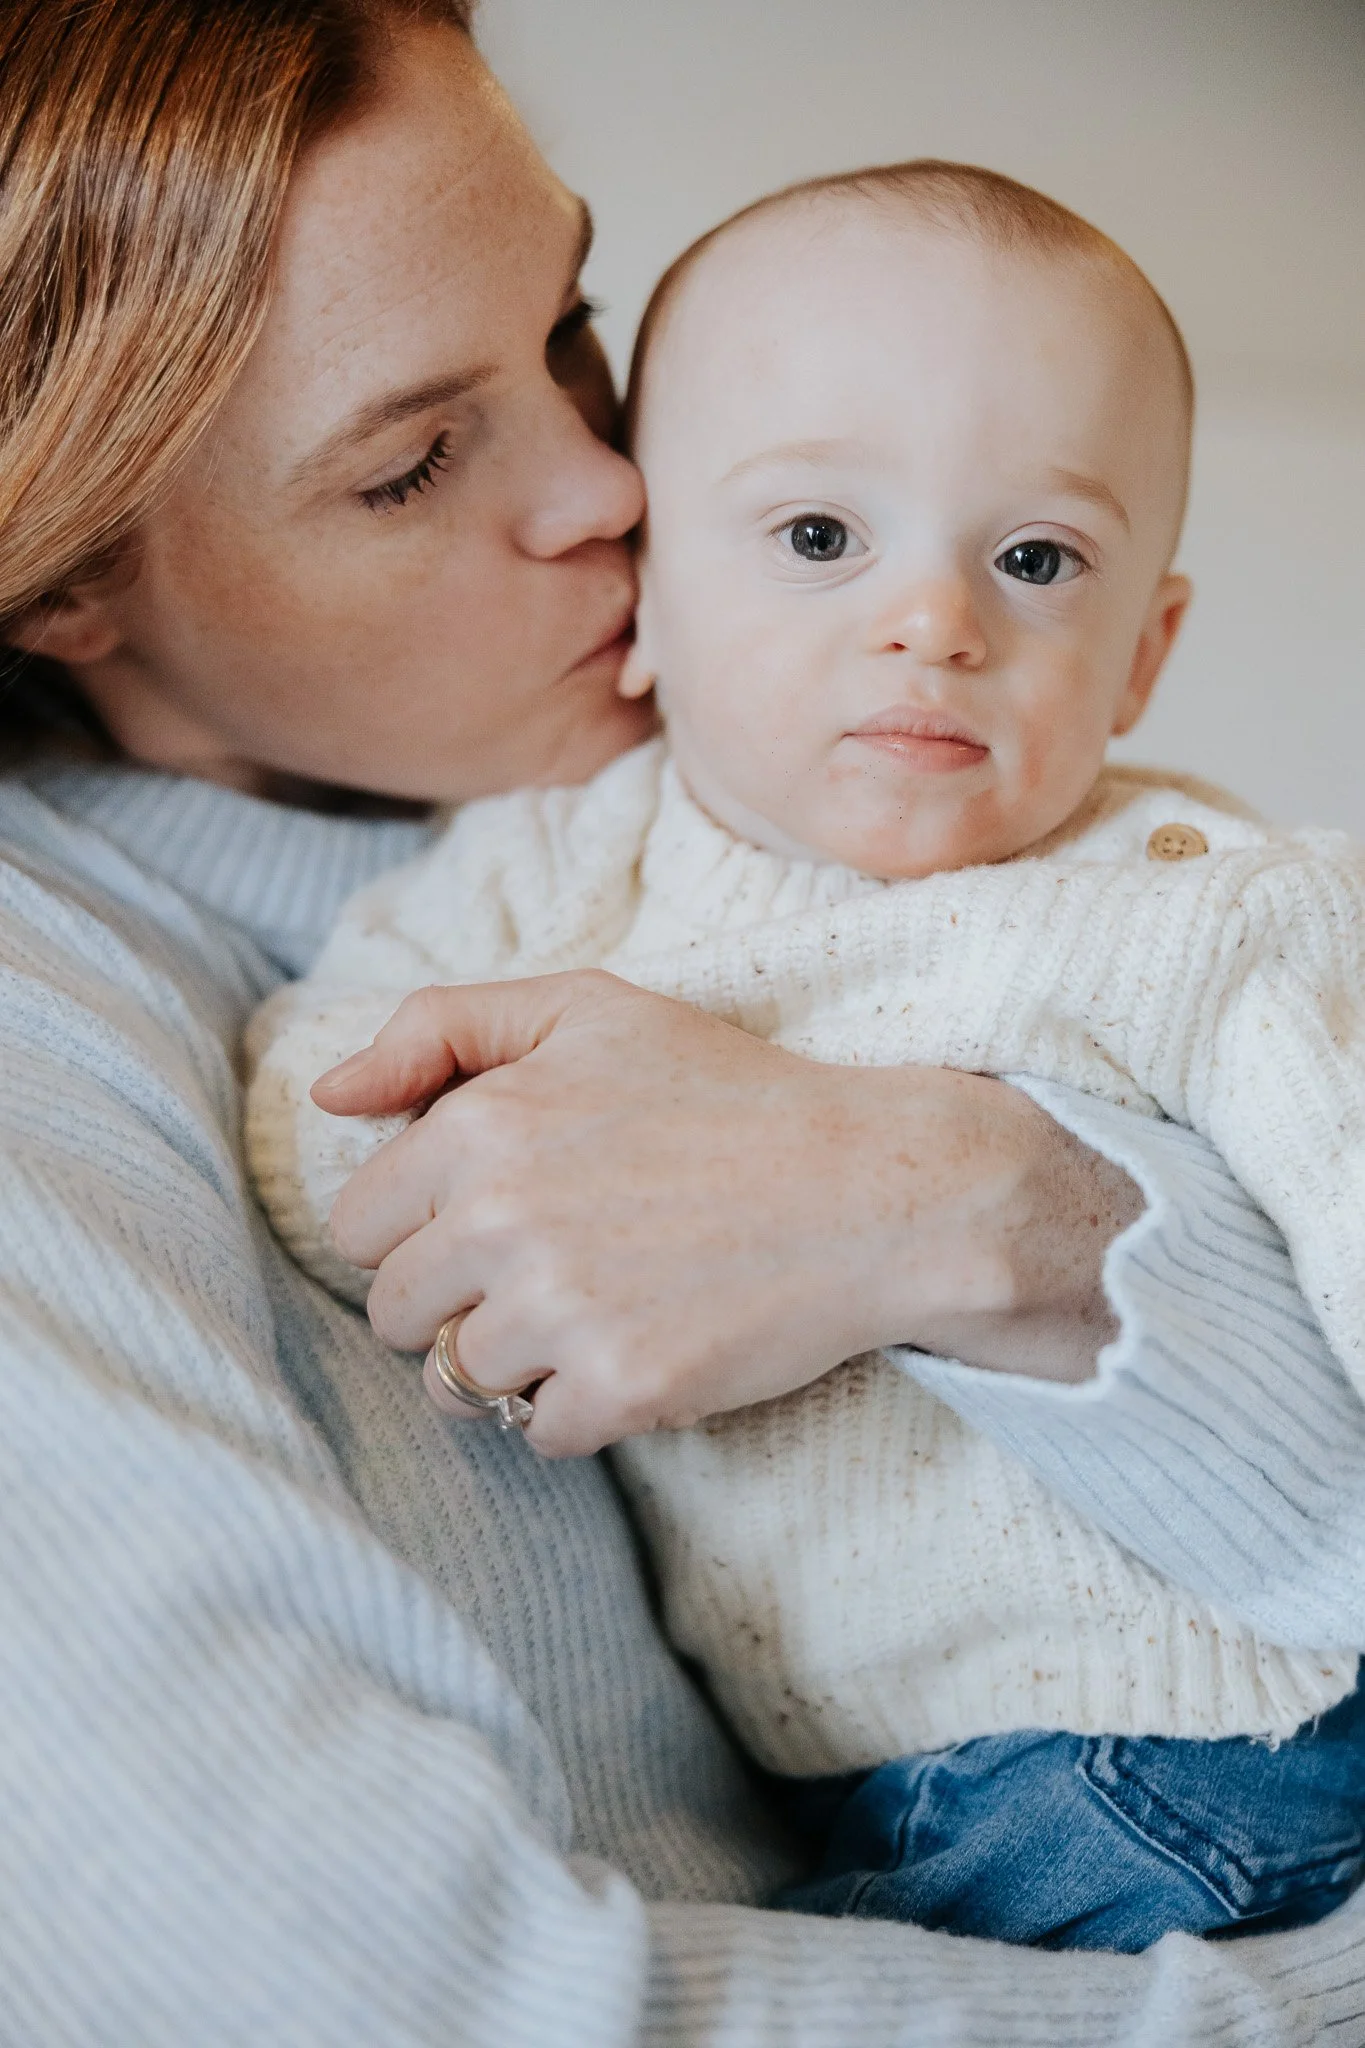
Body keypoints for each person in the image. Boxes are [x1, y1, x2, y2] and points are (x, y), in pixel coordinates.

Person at [2, 0, 1364, 2039]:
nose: (619, 487)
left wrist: (983, 1205)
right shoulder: (63, 1059)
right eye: (411, 464)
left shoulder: (953, 836)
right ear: (67, 578)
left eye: (573, 330)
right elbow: (383, 2002)